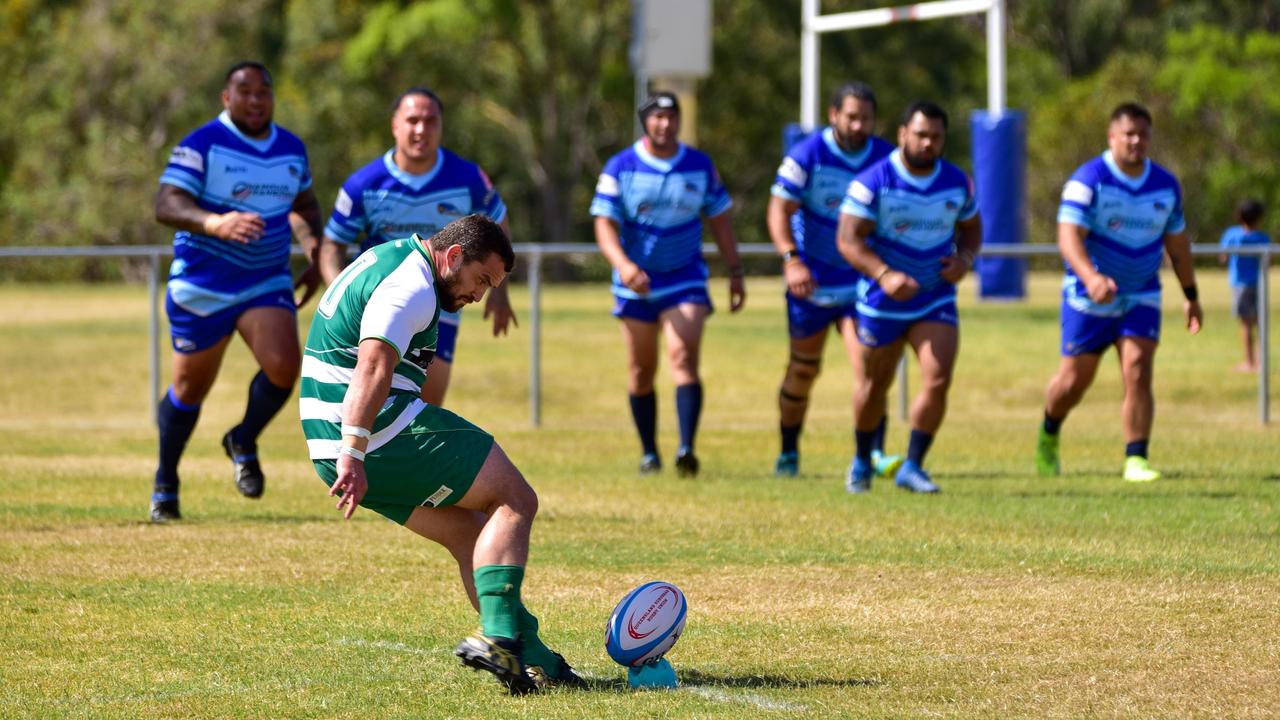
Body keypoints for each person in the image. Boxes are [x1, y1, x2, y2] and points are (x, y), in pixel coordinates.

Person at [302, 214, 581, 694]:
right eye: (481, 281)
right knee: (516, 498)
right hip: (372, 432)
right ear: (453, 256)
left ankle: (531, 657)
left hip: (335, 440)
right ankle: (497, 638)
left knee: (473, 538)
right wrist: (354, 450)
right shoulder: (410, 285)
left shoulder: (398, 260)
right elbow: (372, 364)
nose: (478, 296)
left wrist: (346, 450)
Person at [150, 61, 324, 522]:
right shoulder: (201, 144)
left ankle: (243, 439)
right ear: (226, 98)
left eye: (263, 92)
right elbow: (166, 204)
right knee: (190, 390)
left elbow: (304, 204)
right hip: (203, 285)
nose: (255, 100)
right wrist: (214, 222)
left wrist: (312, 249)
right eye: (244, 92)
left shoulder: (291, 149)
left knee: (285, 367)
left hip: (264, 280)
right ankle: (165, 482)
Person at [1035, 102, 1203, 483]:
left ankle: (1136, 458)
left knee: (1138, 370)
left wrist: (1191, 295)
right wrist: (1092, 278)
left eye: (1142, 134)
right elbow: (1068, 237)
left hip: (1141, 293)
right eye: (1128, 134)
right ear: (1112, 137)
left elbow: (1177, 246)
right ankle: (1048, 431)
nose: (1136, 141)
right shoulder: (1088, 180)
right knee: (1073, 383)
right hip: (1088, 298)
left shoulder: (1165, 185)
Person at [318, 87, 517, 406]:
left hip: (441, 307)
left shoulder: (468, 179)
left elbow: (499, 230)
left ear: (441, 126)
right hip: (377, 305)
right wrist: (341, 294)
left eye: (430, 121)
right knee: (370, 399)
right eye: (412, 120)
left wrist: (500, 292)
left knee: (425, 407)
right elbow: (332, 245)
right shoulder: (364, 185)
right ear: (395, 125)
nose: (421, 129)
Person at [591, 91, 746, 477]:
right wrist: (624, 265)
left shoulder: (699, 165)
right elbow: (603, 224)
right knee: (641, 370)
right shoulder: (620, 167)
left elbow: (721, 220)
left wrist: (735, 270)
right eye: (657, 116)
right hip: (636, 285)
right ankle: (649, 452)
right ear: (645, 121)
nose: (665, 124)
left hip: (685, 279)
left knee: (683, 356)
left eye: (671, 116)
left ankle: (686, 449)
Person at [836, 101, 982, 494]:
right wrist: (884, 274)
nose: (928, 143)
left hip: (934, 298)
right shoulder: (874, 181)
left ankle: (913, 465)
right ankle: (861, 459)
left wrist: (965, 260)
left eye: (936, 137)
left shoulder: (956, 181)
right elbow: (848, 240)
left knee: (937, 379)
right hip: (883, 301)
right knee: (874, 386)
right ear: (902, 134)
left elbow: (972, 228)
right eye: (920, 135)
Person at [767, 82, 900, 480]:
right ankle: (789, 450)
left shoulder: (884, 157)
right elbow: (778, 210)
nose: (859, 125)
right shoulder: (808, 155)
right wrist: (792, 260)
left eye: (867, 118)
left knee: (869, 369)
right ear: (833, 115)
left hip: (860, 284)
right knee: (804, 371)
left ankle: (872, 456)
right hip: (811, 284)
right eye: (852, 116)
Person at [1218, 199, 1269, 372]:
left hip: (1240, 285)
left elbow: (1222, 257)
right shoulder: (1262, 237)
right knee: (1260, 322)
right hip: (1259, 283)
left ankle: (1249, 362)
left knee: (1246, 324)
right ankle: (1261, 362)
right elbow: (1269, 261)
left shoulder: (1232, 235)